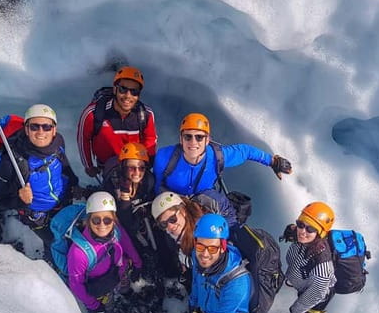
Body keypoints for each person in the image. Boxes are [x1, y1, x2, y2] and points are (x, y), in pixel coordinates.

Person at [152, 112, 291, 222]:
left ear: (207, 140)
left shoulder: (216, 156)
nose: (193, 142)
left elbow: (245, 151)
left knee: (228, 212)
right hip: (173, 200)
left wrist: (272, 161)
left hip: (202, 198)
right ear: (181, 139)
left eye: (199, 137)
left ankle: (223, 241)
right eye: (188, 137)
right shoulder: (164, 158)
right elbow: (158, 187)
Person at [0, 104, 79, 263]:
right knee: (56, 244)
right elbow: (2, 201)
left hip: (63, 202)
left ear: (54, 130)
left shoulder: (58, 142)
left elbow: (64, 165)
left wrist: (74, 183)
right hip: (38, 216)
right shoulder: (11, 162)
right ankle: (56, 267)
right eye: (34, 126)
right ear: (26, 129)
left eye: (47, 127)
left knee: (69, 236)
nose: (41, 132)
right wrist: (21, 200)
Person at [67, 191, 143, 313]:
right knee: (107, 304)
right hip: (100, 286)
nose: (102, 225)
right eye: (96, 220)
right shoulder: (78, 253)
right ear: (88, 220)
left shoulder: (115, 230)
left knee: (123, 286)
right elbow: (76, 284)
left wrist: (137, 263)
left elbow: (127, 245)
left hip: (118, 272)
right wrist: (93, 305)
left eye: (107, 220)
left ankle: (123, 292)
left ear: (114, 220)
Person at [280, 201, 337, 313]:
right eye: (300, 224)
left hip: (318, 296)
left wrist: (297, 310)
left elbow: (317, 293)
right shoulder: (302, 238)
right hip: (305, 287)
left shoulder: (321, 267)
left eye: (310, 229)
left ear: (320, 233)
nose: (302, 231)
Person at [77, 66, 158, 179]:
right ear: (115, 89)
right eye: (123, 89)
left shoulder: (145, 115)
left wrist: (146, 166)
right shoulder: (93, 113)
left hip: (134, 167)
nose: (128, 96)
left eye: (134, 92)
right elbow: (83, 139)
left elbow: (150, 140)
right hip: (107, 167)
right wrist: (88, 166)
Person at [150, 191, 204, 279]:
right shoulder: (174, 241)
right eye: (163, 224)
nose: (170, 226)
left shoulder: (204, 233)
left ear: (183, 211)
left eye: (172, 219)